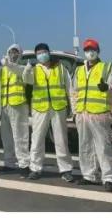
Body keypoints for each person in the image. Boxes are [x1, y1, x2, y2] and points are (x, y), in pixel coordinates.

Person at [72, 38, 112, 191]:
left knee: (103, 147)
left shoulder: (106, 67)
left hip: (99, 114)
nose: (89, 52)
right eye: (87, 50)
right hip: (82, 113)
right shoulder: (79, 70)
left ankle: (109, 178)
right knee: (84, 146)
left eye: (92, 49)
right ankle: (89, 175)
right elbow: (73, 92)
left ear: (98, 51)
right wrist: (75, 111)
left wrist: (107, 87)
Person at [22, 43, 76, 181]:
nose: (42, 55)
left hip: (58, 108)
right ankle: (35, 168)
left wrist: (73, 108)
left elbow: (70, 89)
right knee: (37, 139)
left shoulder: (60, 68)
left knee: (61, 140)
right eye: (39, 53)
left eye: (44, 52)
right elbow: (26, 81)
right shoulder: (34, 69)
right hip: (40, 108)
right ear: (36, 56)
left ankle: (65, 169)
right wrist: (27, 71)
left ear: (49, 53)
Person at [0, 44, 31, 176]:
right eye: (11, 52)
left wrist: (8, 64)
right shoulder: (3, 69)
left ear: (20, 55)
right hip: (5, 106)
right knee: (7, 137)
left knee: (20, 136)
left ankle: (24, 165)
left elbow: (22, 74)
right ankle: (9, 162)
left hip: (18, 105)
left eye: (16, 52)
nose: (13, 54)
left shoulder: (24, 68)